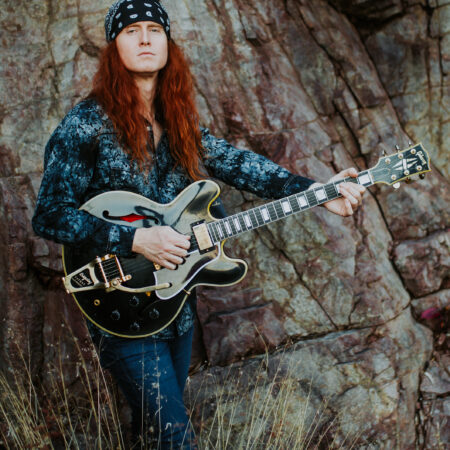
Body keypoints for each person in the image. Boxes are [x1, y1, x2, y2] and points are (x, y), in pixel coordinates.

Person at [32, 0, 366, 448]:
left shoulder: (179, 119)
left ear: (169, 43)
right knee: (176, 439)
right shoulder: (85, 125)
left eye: (155, 29)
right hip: (119, 304)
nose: (146, 38)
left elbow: (240, 165)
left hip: (176, 305)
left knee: (153, 433)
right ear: (114, 48)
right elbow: (49, 214)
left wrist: (319, 192)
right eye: (132, 31)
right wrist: (137, 237)